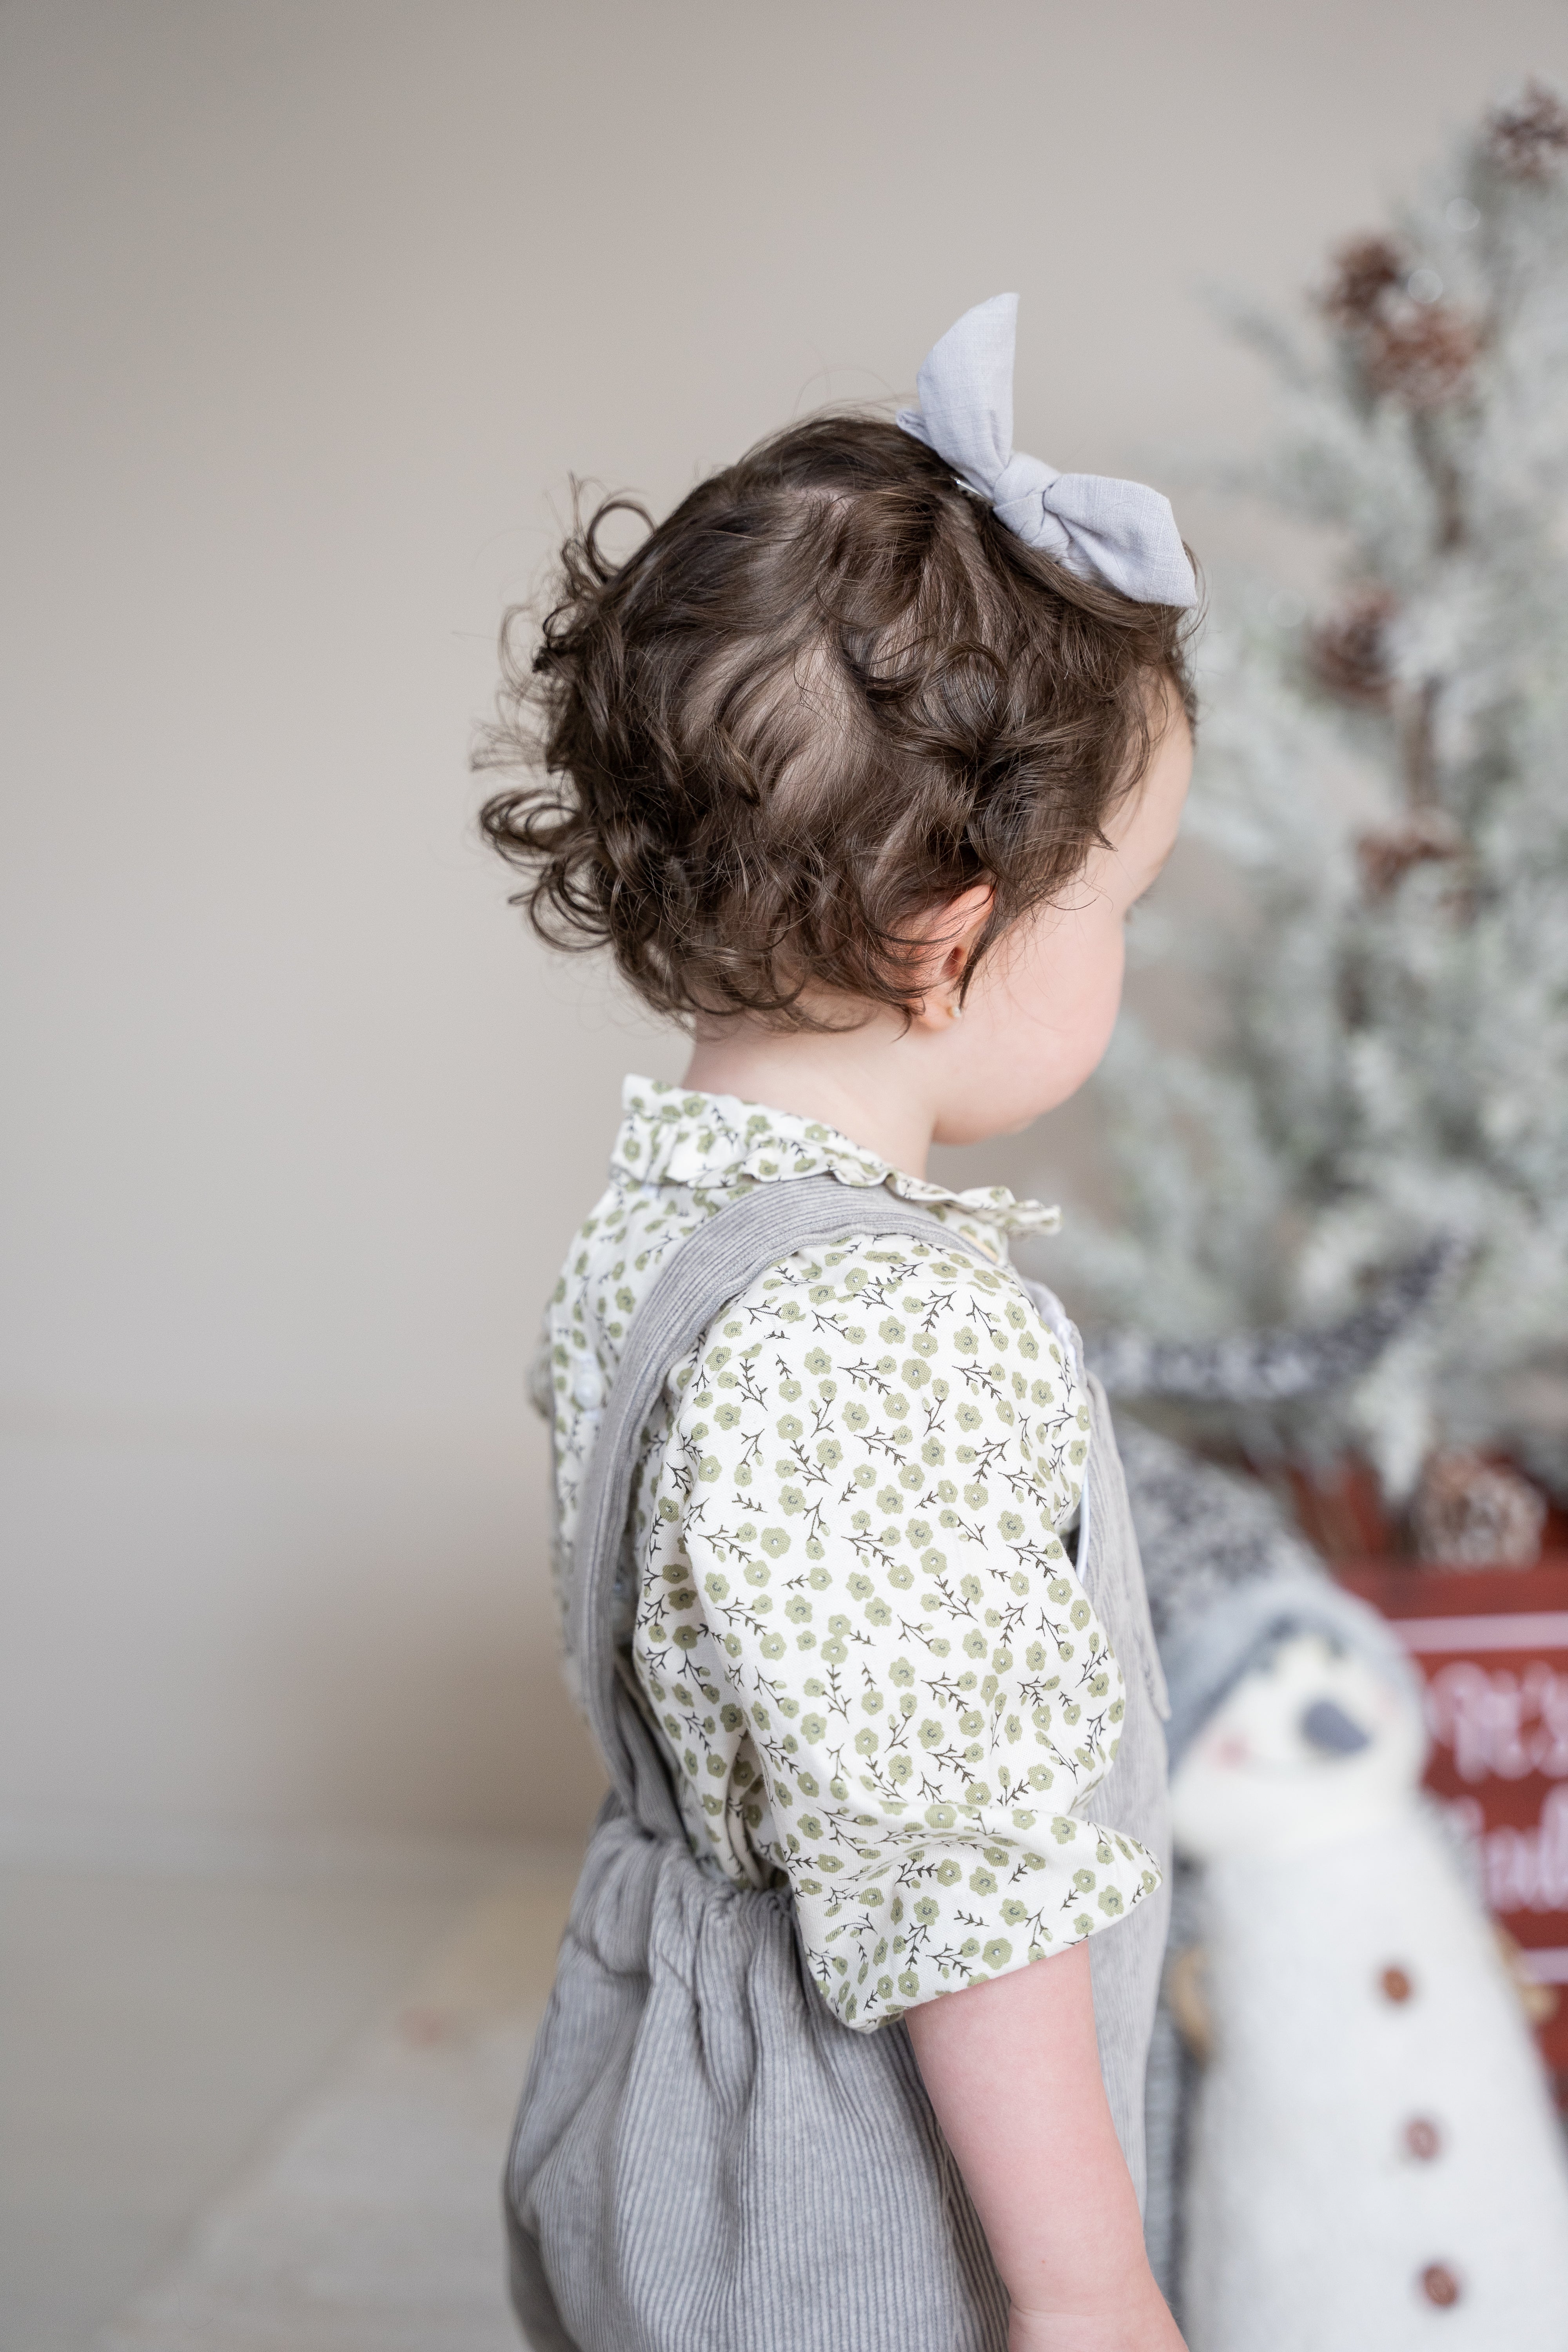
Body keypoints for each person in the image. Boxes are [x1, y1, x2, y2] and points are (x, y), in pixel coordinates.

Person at [481, 296, 1196, 2352]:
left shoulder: (677, 1222)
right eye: (1121, 909)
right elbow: (962, 1884)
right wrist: (1084, 2285)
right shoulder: (884, 1336)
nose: (1127, 963)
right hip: (848, 2178)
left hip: (662, 2073)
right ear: (948, 934)